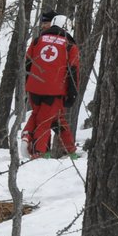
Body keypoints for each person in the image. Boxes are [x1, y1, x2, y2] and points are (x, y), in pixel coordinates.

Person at [22, 11, 81, 158]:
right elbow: (73, 71)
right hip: (54, 91)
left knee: (54, 119)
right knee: (45, 122)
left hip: (34, 88)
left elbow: (27, 63)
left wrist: (28, 83)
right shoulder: (70, 46)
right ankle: (39, 153)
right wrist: (72, 92)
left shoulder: (37, 41)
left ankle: (71, 151)